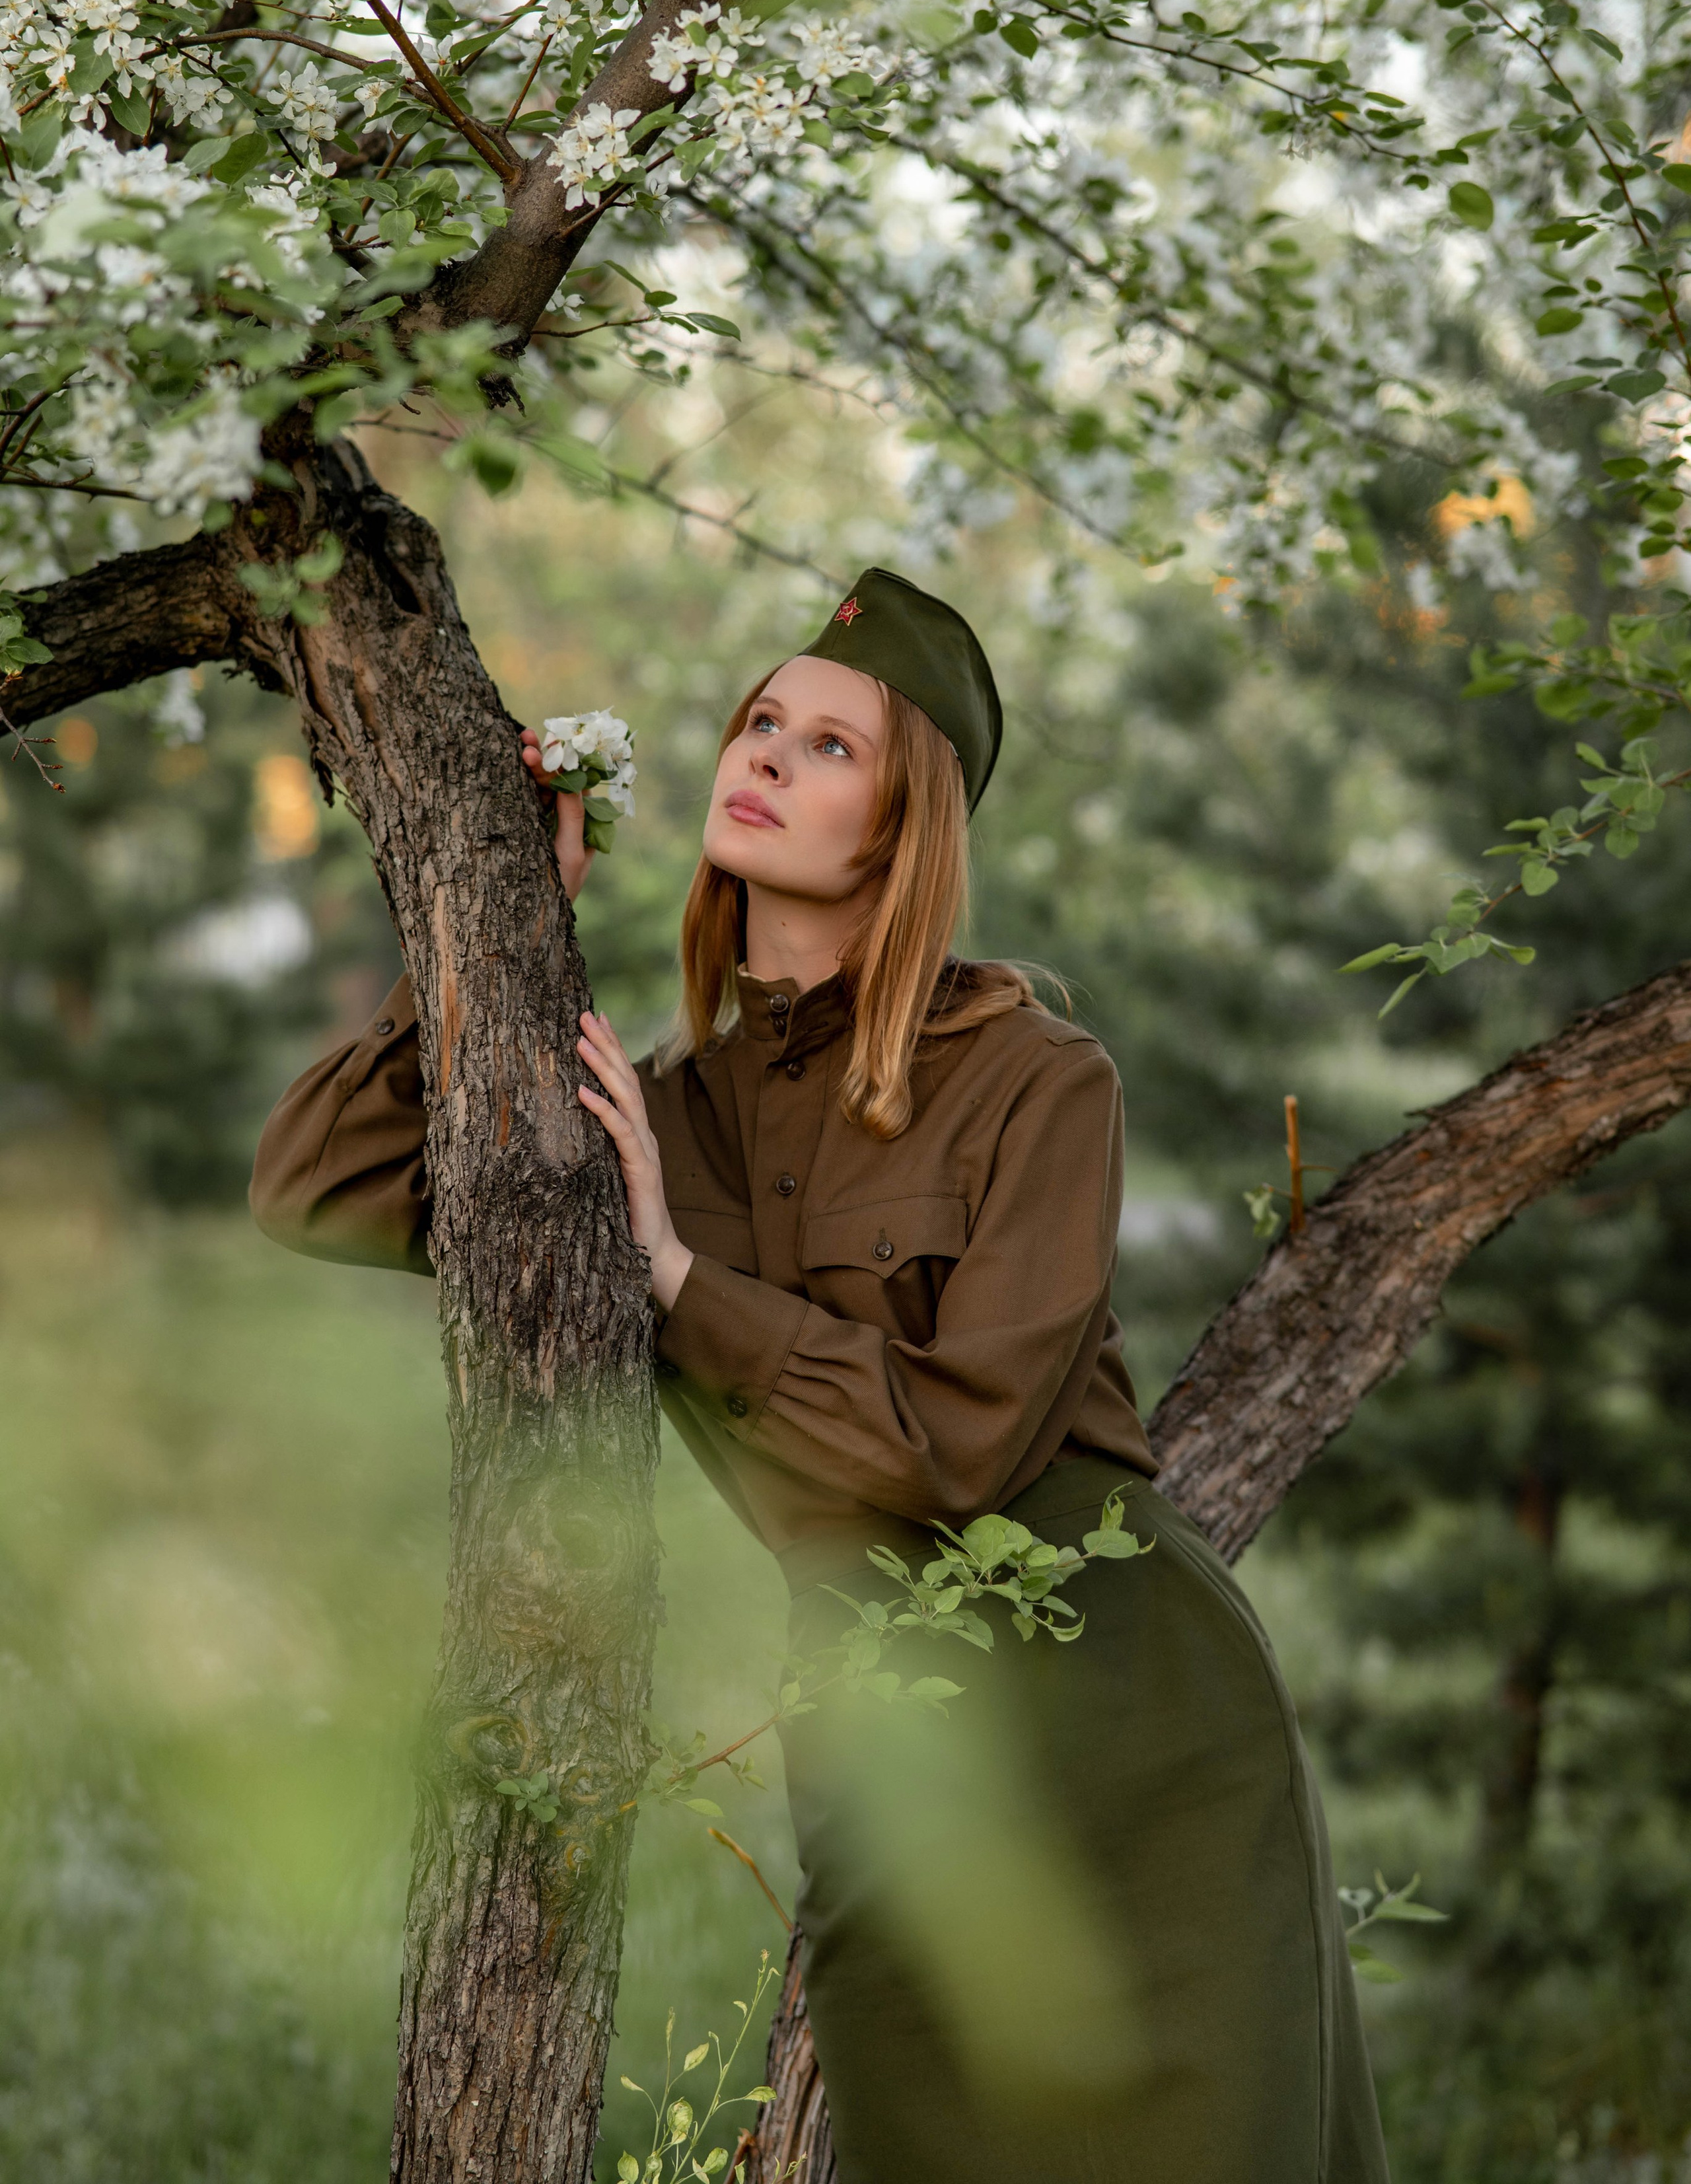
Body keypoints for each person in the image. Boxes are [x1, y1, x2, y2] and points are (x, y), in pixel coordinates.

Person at [250, 567, 1390, 2184]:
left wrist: (673, 1279)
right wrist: (508, 920)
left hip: (1145, 1745)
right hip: (891, 1754)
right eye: (761, 721)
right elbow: (312, 1186)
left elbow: (959, 1450)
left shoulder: (1034, 1080)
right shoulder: (655, 1116)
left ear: (903, 825)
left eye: (832, 747)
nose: (770, 756)